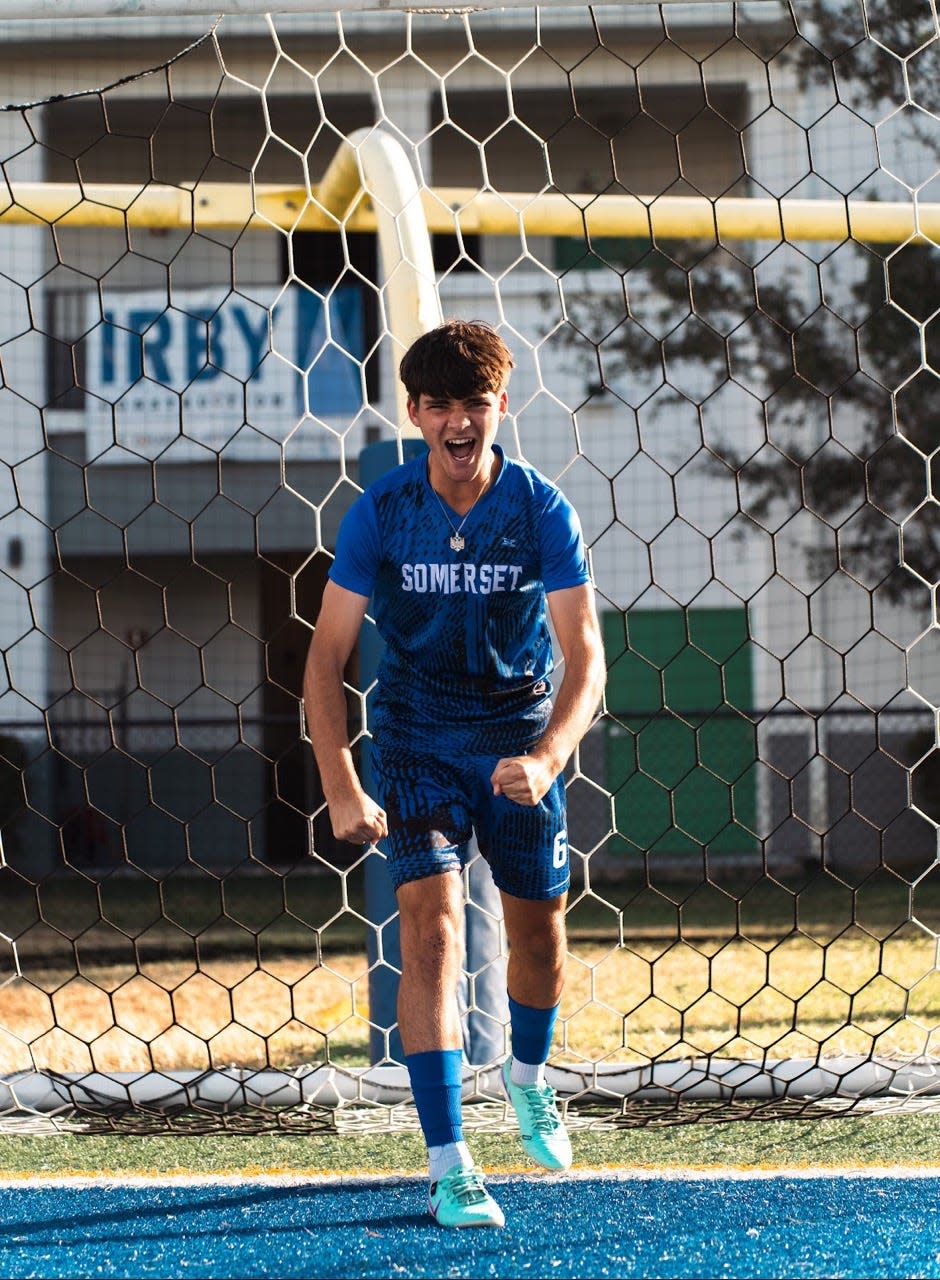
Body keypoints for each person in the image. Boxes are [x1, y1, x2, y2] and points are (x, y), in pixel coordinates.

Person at [303, 320, 606, 1229]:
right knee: (429, 930)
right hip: (415, 740)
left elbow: (585, 653)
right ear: (415, 414)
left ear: (500, 407)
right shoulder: (383, 511)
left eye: (474, 403)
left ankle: (528, 1079)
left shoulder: (541, 509)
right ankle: (449, 1162)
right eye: (439, 405)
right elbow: (325, 660)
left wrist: (547, 756)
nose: (458, 422)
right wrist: (342, 782)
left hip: (516, 738)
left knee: (539, 941)